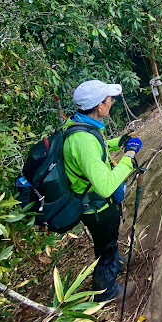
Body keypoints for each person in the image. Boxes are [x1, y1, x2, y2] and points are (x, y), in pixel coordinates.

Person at [63, 79, 142, 302]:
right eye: (109, 99)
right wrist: (129, 156)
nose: (112, 101)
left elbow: (99, 147)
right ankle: (107, 290)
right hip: (97, 207)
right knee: (105, 247)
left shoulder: (81, 125)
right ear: (99, 106)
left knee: (109, 240)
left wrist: (121, 142)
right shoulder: (84, 140)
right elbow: (105, 185)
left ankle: (117, 262)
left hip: (97, 204)